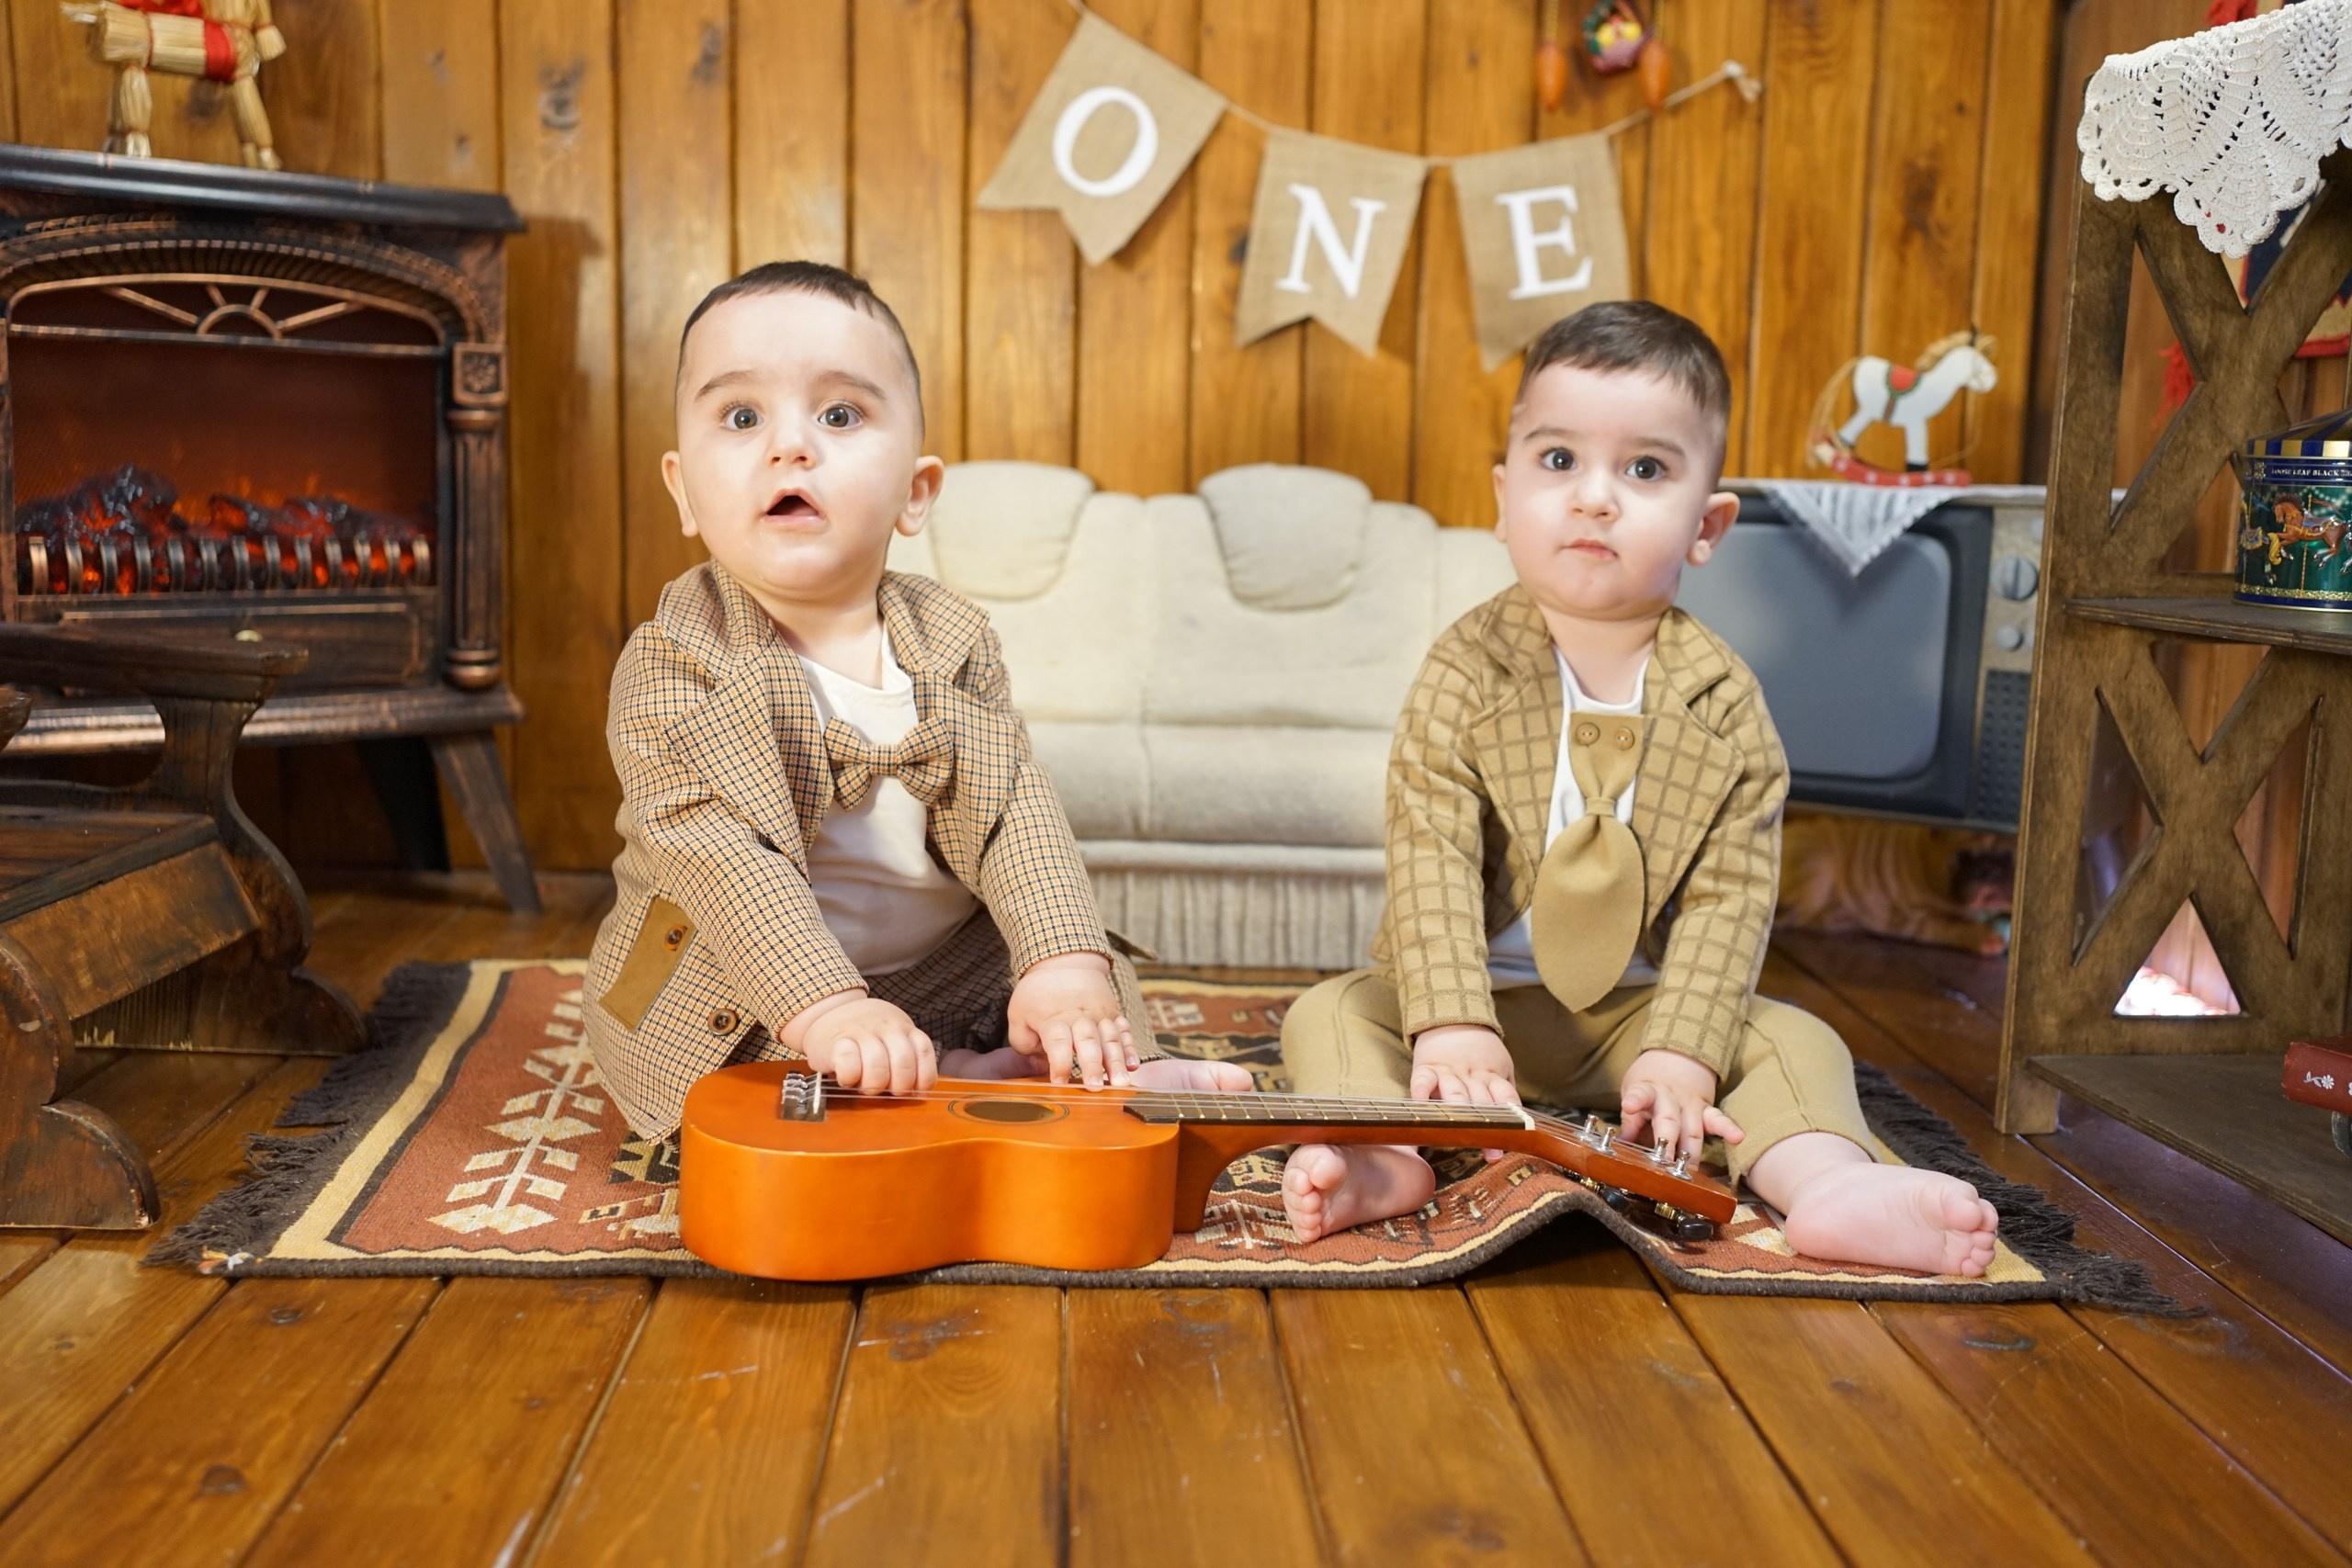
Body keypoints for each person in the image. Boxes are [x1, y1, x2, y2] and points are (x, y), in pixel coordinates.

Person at [1277, 301, 2001, 1277]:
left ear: (1707, 526)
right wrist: (1451, 1022)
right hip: (1476, 1002)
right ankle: (1381, 1155)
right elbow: (1429, 856)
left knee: (1795, 1040)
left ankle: (1827, 1183)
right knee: (1331, 1013)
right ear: (1503, 498)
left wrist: (1683, 1050)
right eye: (1559, 460)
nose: (1594, 499)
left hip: (1636, 1016)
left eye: (1646, 470)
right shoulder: (1463, 672)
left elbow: (1728, 897)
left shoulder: (1726, 705)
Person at [583, 261, 1249, 1139]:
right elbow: (721, 858)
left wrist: (1059, 964)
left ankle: (1094, 1066)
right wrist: (826, 1007)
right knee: (761, 1098)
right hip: (739, 979)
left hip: (943, 961)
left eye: (839, 415)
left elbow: (1012, 807)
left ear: (915, 492)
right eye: (742, 417)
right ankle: (937, 1073)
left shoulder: (952, 640)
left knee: (1078, 968)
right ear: (683, 490)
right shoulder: (677, 662)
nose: (791, 447)